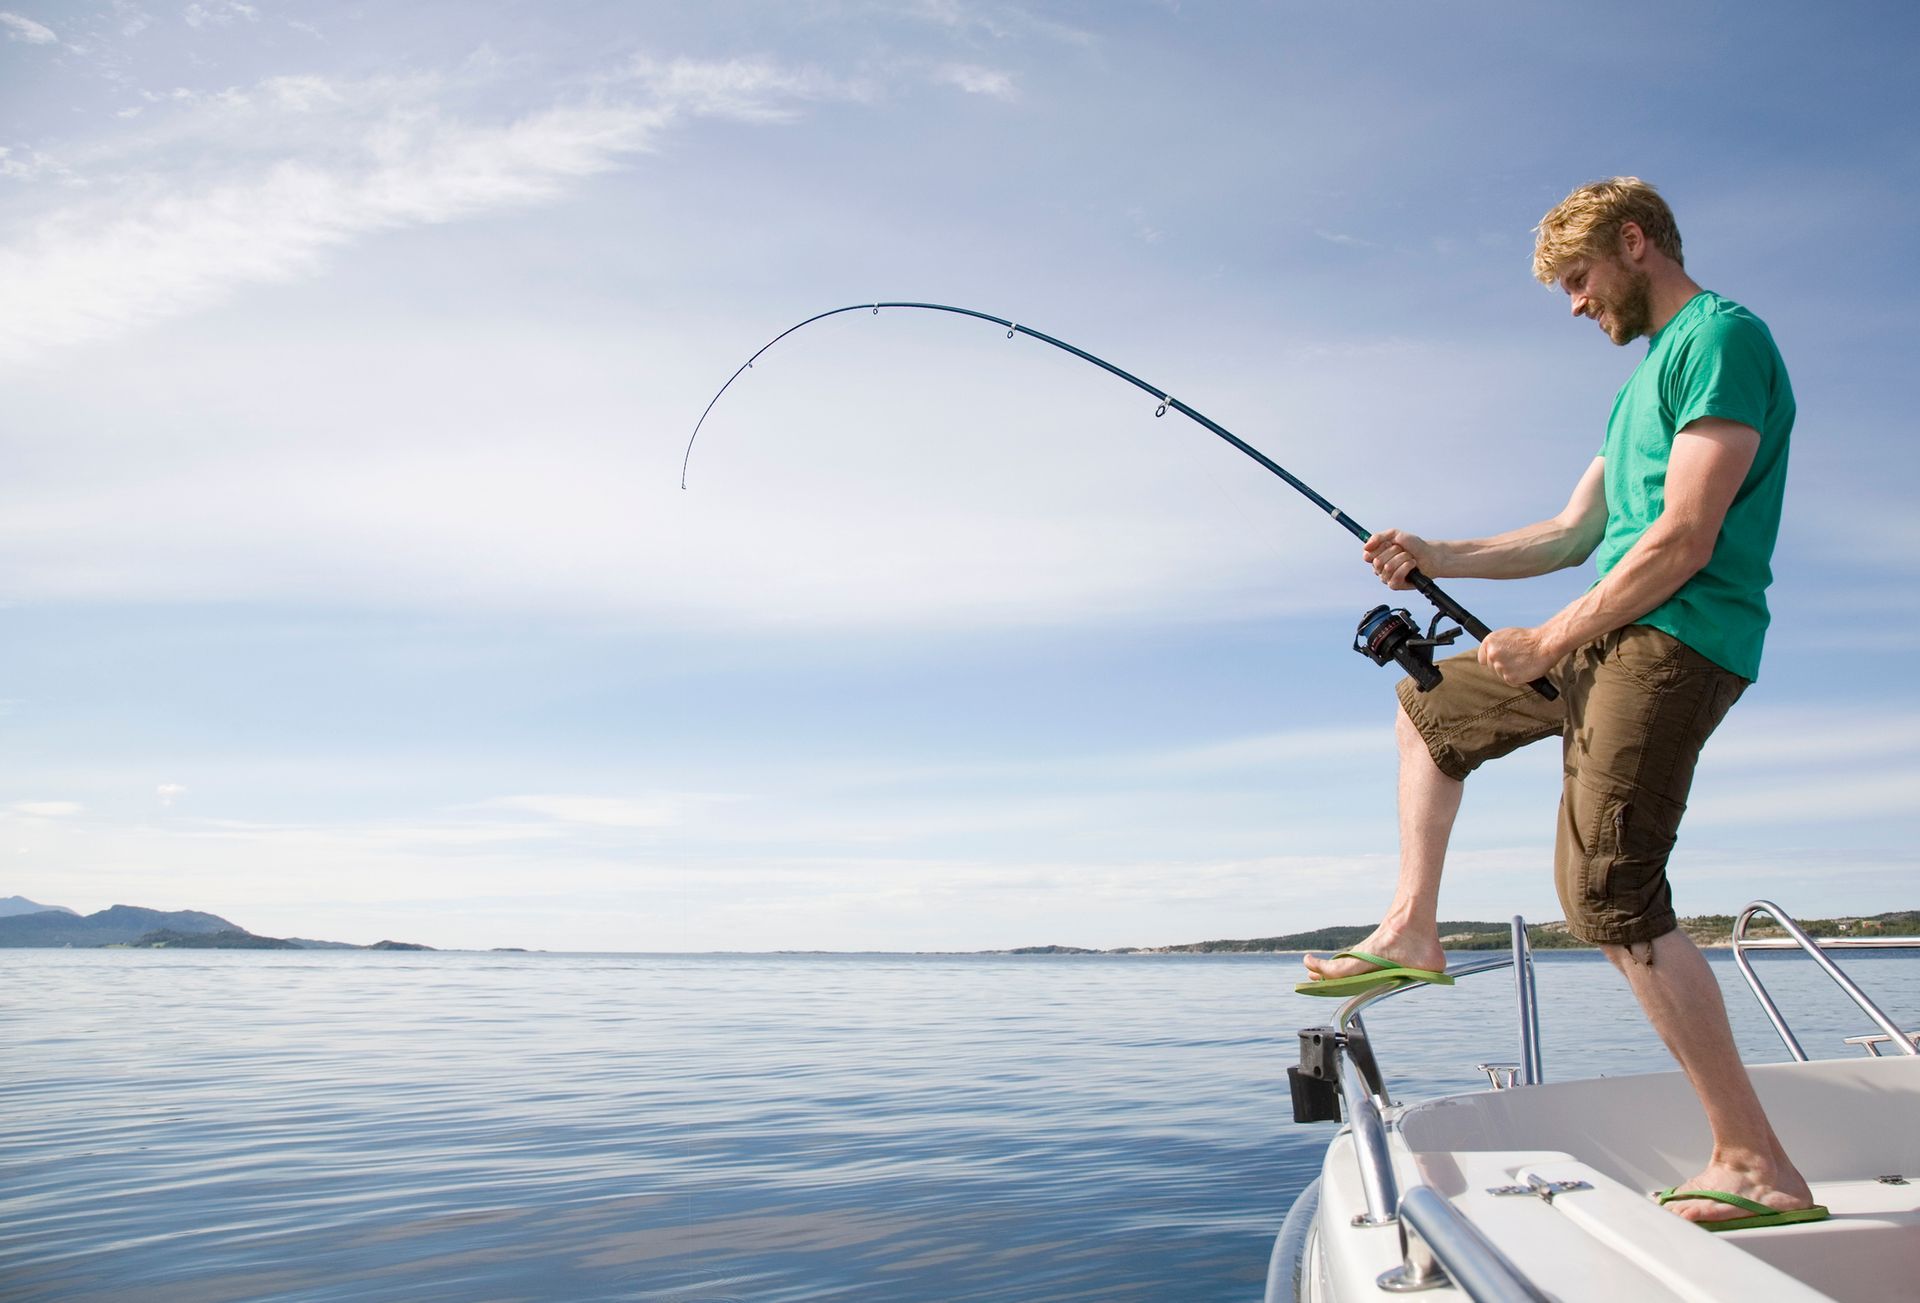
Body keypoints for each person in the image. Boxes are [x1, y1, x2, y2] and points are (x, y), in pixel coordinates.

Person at [1299, 177, 1818, 1229]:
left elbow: (1682, 540)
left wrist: (1550, 637)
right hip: (1606, 634)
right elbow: (1571, 534)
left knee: (1607, 893)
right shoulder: (1636, 392)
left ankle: (1755, 1159)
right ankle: (1414, 930)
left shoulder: (1724, 339)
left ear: (1636, 244)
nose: (1576, 305)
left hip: (1674, 639)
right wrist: (1433, 553)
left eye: (1579, 281)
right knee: (1431, 710)